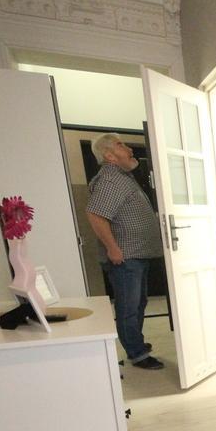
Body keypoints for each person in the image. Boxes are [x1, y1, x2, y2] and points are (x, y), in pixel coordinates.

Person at [86, 133, 165, 370]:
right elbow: (96, 215)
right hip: (125, 257)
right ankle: (137, 353)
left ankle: (135, 345)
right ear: (109, 155)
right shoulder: (111, 179)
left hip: (135, 255)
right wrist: (113, 249)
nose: (129, 149)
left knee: (137, 304)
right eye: (121, 145)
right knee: (129, 307)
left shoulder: (122, 177)